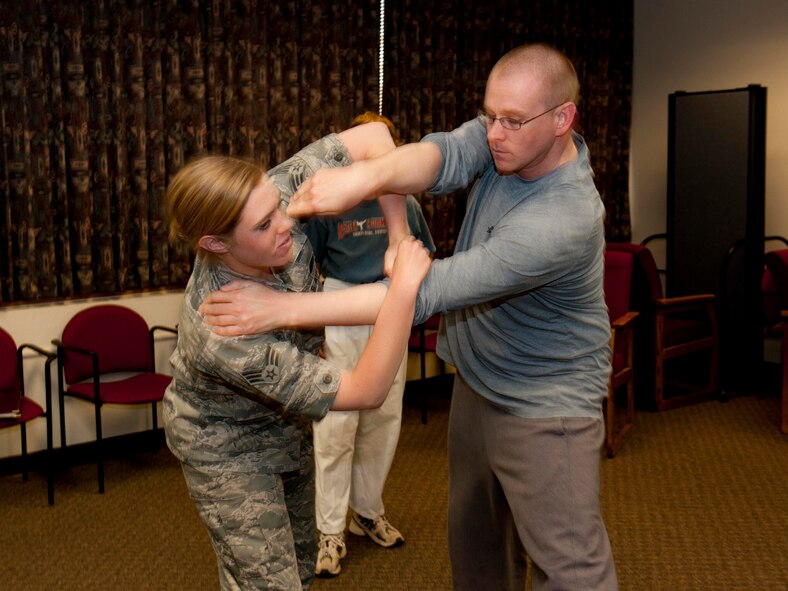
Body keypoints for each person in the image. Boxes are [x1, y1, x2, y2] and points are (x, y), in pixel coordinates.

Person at [201, 42, 618, 590]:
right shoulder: (505, 140)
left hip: (546, 405)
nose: (494, 133)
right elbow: (439, 155)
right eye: (489, 115)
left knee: (570, 569)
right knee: (477, 546)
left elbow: (422, 292)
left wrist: (285, 307)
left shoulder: (564, 219)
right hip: (479, 381)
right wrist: (367, 180)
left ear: (564, 119)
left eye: (511, 121)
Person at [162, 123, 431, 591]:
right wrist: (403, 288)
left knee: (301, 567)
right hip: (228, 449)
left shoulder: (270, 195)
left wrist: (396, 235)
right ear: (215, 244)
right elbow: (366, 390)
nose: (287, 222)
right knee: (270, 585)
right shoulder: (222, 326)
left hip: (286, 423)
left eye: (276, 208)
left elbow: (374, 139)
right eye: (264, 225)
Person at [306, 112, 436, 577]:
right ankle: (329, 530)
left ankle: (366, 511)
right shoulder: (332, 203)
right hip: (342, 308)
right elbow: (310, 269)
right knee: (337, 426)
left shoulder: (405, 204)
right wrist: (314, 335)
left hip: (389, 310)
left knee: (383, 418)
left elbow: (424, 259)